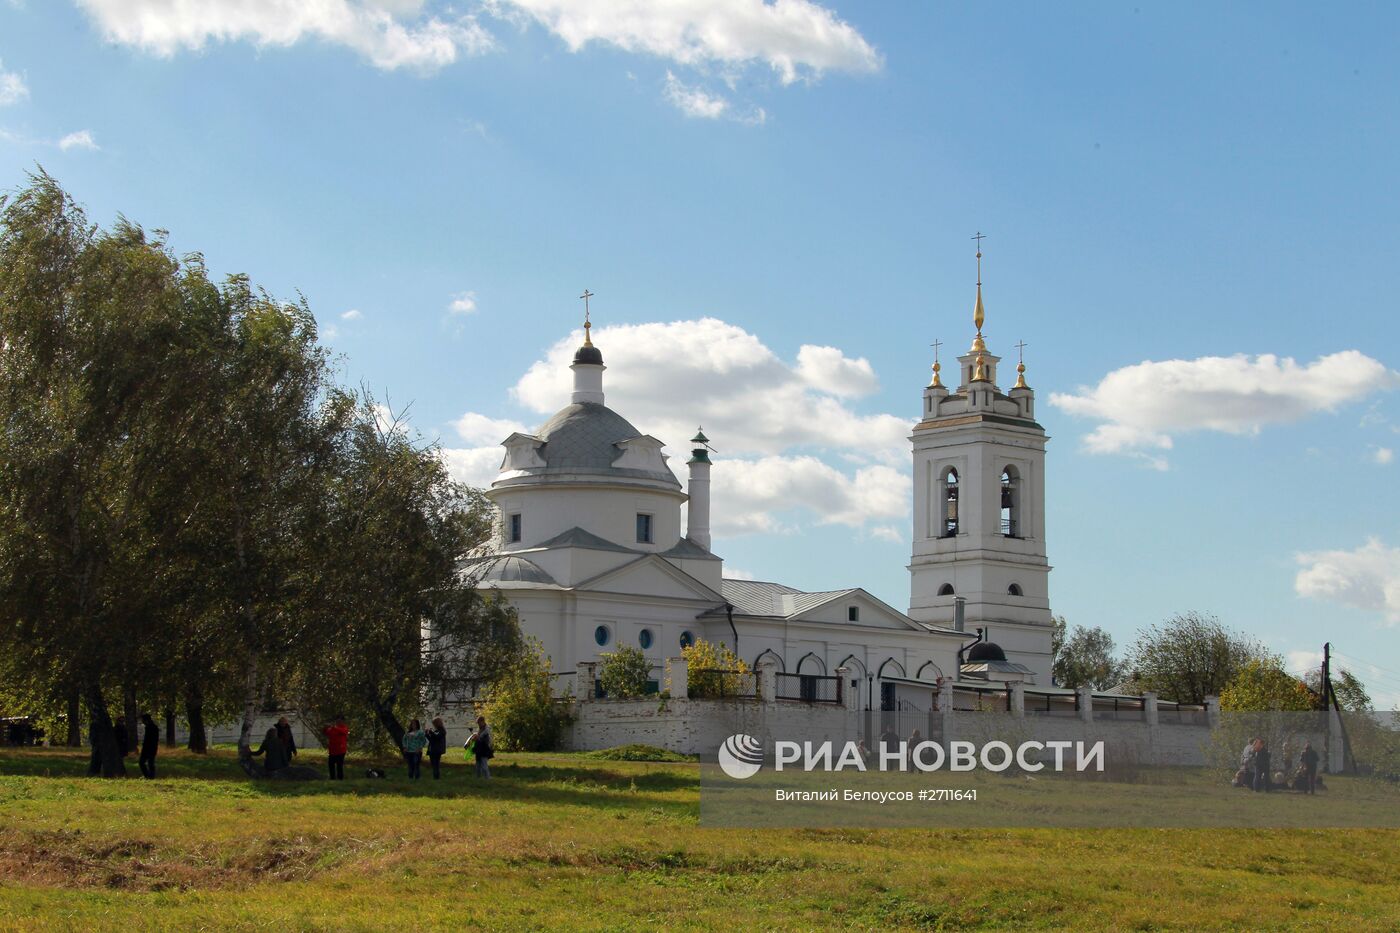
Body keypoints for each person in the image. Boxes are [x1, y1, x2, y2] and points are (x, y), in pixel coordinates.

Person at [323, 715, 349, 781]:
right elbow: (326, 732)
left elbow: (343, 732)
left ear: (343, 721)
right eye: (337, 720)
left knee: (339, 765)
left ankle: (340, 778)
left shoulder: (344, 728)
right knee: (331, 764)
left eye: (340, 720)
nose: (338, 722)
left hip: (341, 750)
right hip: (332, 750)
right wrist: (325, 727)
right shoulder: (332, 729)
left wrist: (334, 727)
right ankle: (332, 778)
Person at [138, 713, 159, 780]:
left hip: (149, 748)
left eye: (143, 720)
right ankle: (149, 776)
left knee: (144, 762)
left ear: (146, 720)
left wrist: (146, 746)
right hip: (151, 748)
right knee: (149, 763)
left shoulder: (151, 727)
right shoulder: (152, 727)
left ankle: (148, 776)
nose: (142, 722)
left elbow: (150, 740)